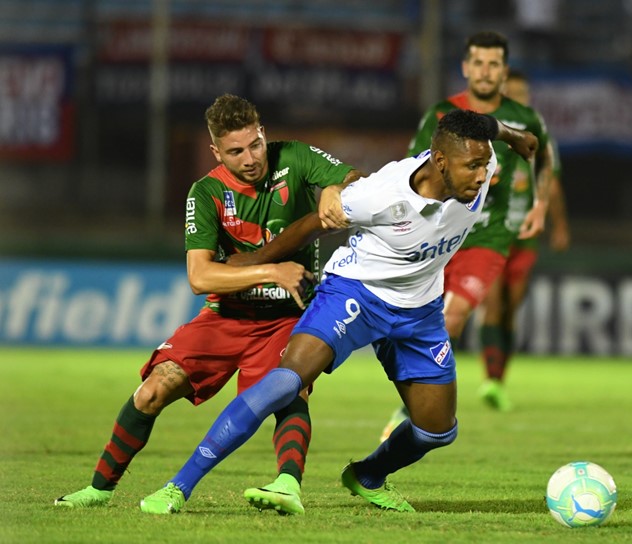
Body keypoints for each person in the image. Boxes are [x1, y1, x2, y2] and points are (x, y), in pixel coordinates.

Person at [136, 109, 538, 515]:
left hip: (420, 311)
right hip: (355, 294)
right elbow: (314, 222)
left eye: (484, 163)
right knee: (285, 382)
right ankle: (178, 486)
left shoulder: (484, 167)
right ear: (439, 161)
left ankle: (367, 475)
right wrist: (257, 260)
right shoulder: (380, 194)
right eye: (472, 166)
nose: (483, 174)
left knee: (437, 431)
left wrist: (515, 135)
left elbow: (484, 126)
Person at [54, 94, 361, 514]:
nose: (250, 158)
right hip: (226, 316)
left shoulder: (296, 157)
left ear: (263, 134)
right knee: (152, 390)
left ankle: (288, 485)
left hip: (287, 319)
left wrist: (334, 189)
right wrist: (270, 271)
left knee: (290, 393)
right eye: (235, 151)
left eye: (254, 145)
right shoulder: (207, 192)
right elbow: (200, 277)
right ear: (217, 151)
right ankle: (99, 488)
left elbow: (354, 180)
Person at [379, 32, 551, 434]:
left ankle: (408, 414)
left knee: (452, 316)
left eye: (494, 64)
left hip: (489, 237)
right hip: (440, 231)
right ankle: (416, 394)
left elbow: (543, 161)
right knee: (419, 318)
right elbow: (414, 165)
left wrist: (540, 204)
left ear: (504, 71)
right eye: (479, 62)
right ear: (466, 67)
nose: (486, 71)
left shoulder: (525, 118)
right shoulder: (441, 113)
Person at [476, 69, 571, 411]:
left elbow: (551, 179)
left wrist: (559, 224)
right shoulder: (490, 133)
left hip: (526, 234)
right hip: (492, 230)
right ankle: (489, 378)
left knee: (511, 307)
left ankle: (500, 379)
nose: (517, 98)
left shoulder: (537, 134)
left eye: (522, 93)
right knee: (493, 301)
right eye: (511, 92)